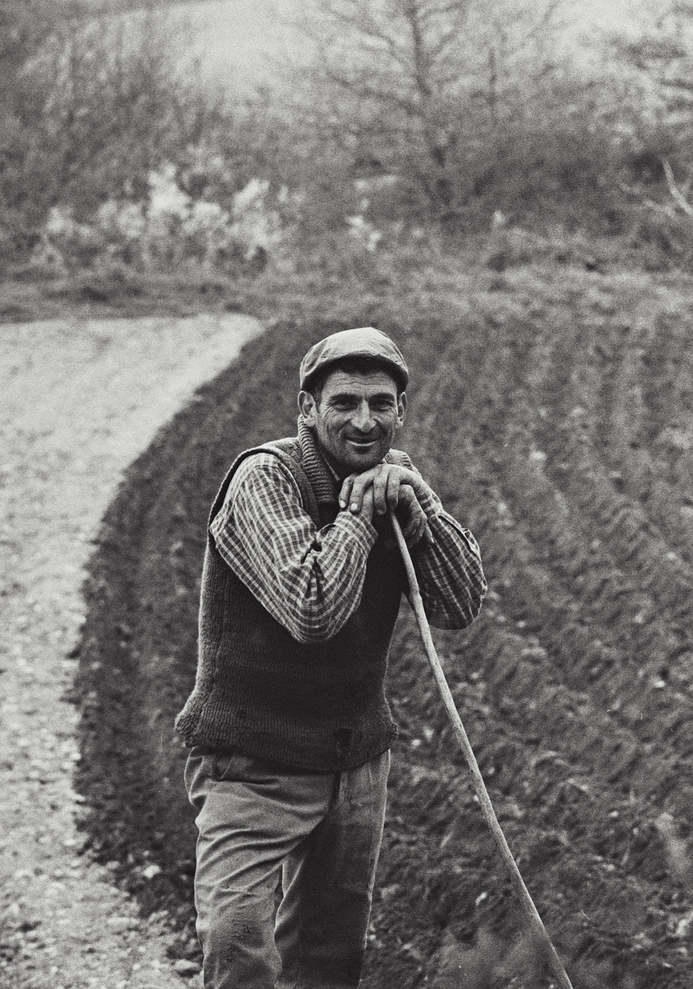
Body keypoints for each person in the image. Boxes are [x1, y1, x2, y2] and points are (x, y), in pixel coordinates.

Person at [175, 326, 487, 989]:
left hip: (355, 764)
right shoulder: (265, 479)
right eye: (344, 402)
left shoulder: (395, 483)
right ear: (307, 409)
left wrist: (420, 507)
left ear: (400, 412)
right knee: (239, 945)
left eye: (381, 403)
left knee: (327, 956)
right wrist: (357, 518)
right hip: (254, 761)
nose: (364, 420)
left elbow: (460, 606)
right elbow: (310, 611)